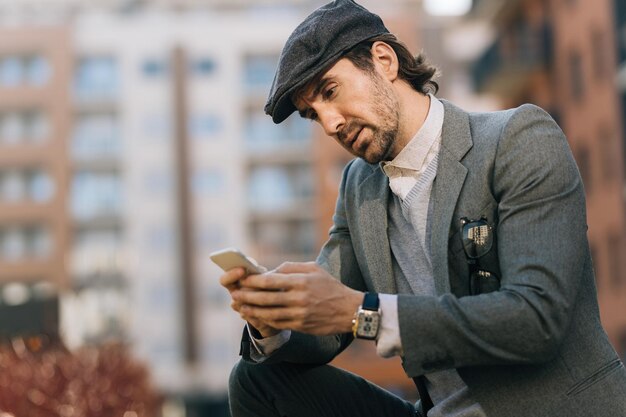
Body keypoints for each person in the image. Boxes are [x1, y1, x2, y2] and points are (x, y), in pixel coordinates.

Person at [219, 1, 626, 416]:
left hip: (546, 408)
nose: (329, 123)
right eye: (313, 114)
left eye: (330, 92)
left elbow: (536, 320)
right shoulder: (359, 186)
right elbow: (327, 322)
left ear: (383, 60)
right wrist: (275, 323)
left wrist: (363, 313)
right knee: (255, 379)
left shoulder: (517, 141)